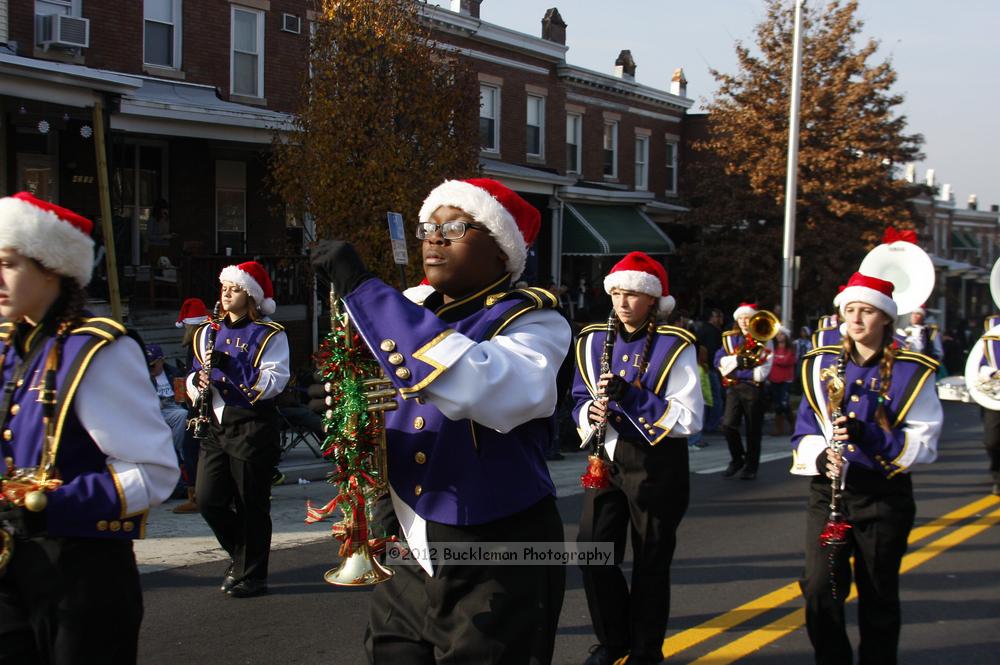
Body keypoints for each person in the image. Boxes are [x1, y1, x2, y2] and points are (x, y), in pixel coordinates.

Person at [312, 178, 570, 663]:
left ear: (502, 250)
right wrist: (345, 404)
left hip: (496, 548)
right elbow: (386, 397)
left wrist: (366, 291)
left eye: (455, 227)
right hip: (407, 538)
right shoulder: (409, 309)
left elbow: (484, 385)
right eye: (429, 226)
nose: (435, 237)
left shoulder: (533, 322)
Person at [0, 192, 179, 662]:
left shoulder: (99, 350)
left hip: (79, 578)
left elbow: (155, 474)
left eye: (9, 263)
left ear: (51, 267)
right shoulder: (10, 348)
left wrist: (51, 504)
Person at [790, 271, 941, 665]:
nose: (855, 320)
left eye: (867, 312)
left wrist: (867, 434)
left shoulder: (913, 370)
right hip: (830, 494)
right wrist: (822, 456)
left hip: (883, 498)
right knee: (820, 588)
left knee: (878, 595)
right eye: (850, 310)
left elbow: (923, 445)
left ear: (886, 318)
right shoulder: (820, 364)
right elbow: (805, 428)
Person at [572, 251, 702, 665]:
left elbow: (690, 418)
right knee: (592, 551)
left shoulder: (675, 344)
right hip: (605, 457)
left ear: (652, 301)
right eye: (617, 293)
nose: (623, 302)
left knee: (651, 561)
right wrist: (586, 414)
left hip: (657, 464)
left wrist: (633, 397)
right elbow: (577, 396)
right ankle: (614, 639)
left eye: (633, 294)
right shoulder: (592, 338)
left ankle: (647, 650)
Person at [186, 261, 290, 598]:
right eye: (224, 287)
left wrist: (231, 366)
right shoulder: (206, 331)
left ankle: (253, 575)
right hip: (215, 424)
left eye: (235, 288)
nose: (227, 293)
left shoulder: (269, 333)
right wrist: (196, 381)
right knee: (207, 499)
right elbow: (191, 374)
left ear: (250, 295)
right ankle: (242, 556)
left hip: (252, 427)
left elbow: (275, 381)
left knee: (251, 504)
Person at [715, 302, 773, 480]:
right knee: (727, 425)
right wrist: (738, 363)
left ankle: (751, 466)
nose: (743, 321)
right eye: (740, 318)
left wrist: (736, 364)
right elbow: (718, 360)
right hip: (734, 387)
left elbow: (762, 369)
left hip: (753, 388)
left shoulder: (763, 338)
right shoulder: (730, 338)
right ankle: (737, 458)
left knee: (753, 430)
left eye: (747, 318)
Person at [172, 297, 211, 513]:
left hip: (200, 403)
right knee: (195, 448)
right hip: (198, 401)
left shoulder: (200, 341)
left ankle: (197, 495)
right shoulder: (204, 338)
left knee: (192, 447)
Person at [968, 320, 1000, 496]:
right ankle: (997, 473)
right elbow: (978, 361)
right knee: (992, 441)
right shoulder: (993, 325)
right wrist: (990, 373)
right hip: (995, 394)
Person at [696, 308, 724, 431]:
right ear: (712, 318)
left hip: (704, 366)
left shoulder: (703, 330)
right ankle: (712, 424)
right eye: (717, 317)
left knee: (708, 397)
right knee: (714, 398)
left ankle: (709, 423)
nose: (720, 320)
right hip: (710, 367)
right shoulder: (712, 332)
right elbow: (713, 351)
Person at [767, 328, 797, 436]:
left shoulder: (791, 348)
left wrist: (773, 359)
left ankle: (793, 425)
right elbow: (767, 359)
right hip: (774, 379)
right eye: (778, 335)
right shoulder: (772, 348)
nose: (779, 336)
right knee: (777, 405)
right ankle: (778, 429)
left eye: (782, 334)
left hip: (786, 380)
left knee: (785, 404)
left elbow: (787, 361)